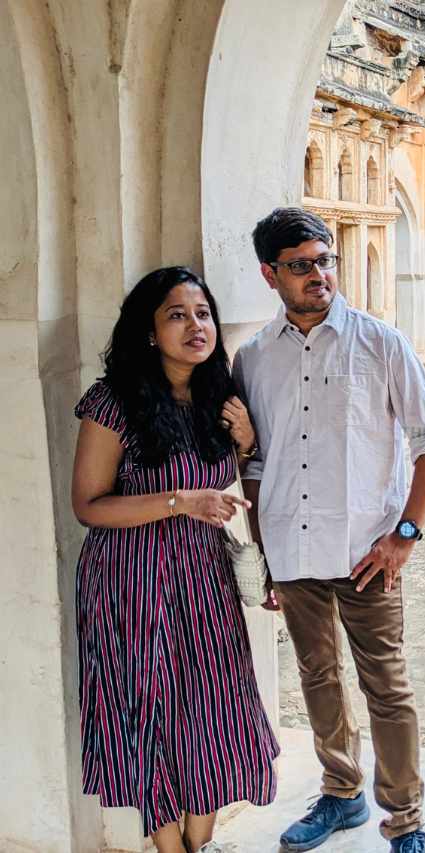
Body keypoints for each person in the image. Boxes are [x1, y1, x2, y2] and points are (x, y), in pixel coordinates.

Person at [233, 208, 425, 853]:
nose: (319, 275)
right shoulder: (253, 358)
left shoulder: (380, 343)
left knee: (386, 685)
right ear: (270, 275)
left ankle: (406, 819)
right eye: (301, 266)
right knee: (317, 676)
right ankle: (341, 793)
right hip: (293, 547)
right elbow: (255, 461)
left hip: (368, 553)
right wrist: (265, 551)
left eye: (325, 260)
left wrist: (405, 535)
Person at [70, 266, 279, 853]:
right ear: (148, 330)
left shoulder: (221, 400)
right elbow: (88, 505)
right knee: (152, 715)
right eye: (177, 315)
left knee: (214, 712)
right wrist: (177, 502)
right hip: (130, 583)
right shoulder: (113, 402)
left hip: (204, 581)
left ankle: (200, 843)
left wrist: (246, 444)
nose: (196, 326)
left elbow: (233, 489)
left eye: (203, 313)